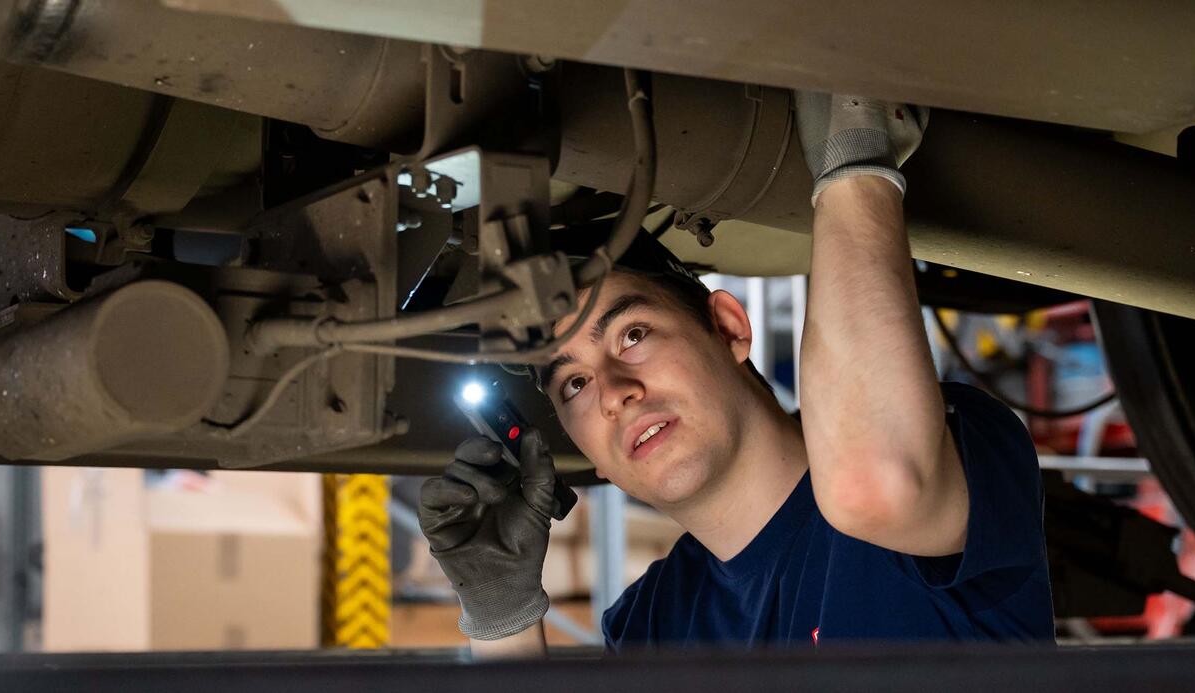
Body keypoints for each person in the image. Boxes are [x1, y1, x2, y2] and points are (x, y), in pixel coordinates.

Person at [419, 93, 1054, 657]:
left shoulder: (951, 446)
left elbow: (875, 485)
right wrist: (501, 620)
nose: (614, 393)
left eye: (631, 335)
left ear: (728, 328)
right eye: (574, 385)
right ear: (591, 457)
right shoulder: (652, 629)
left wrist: (853, 157)